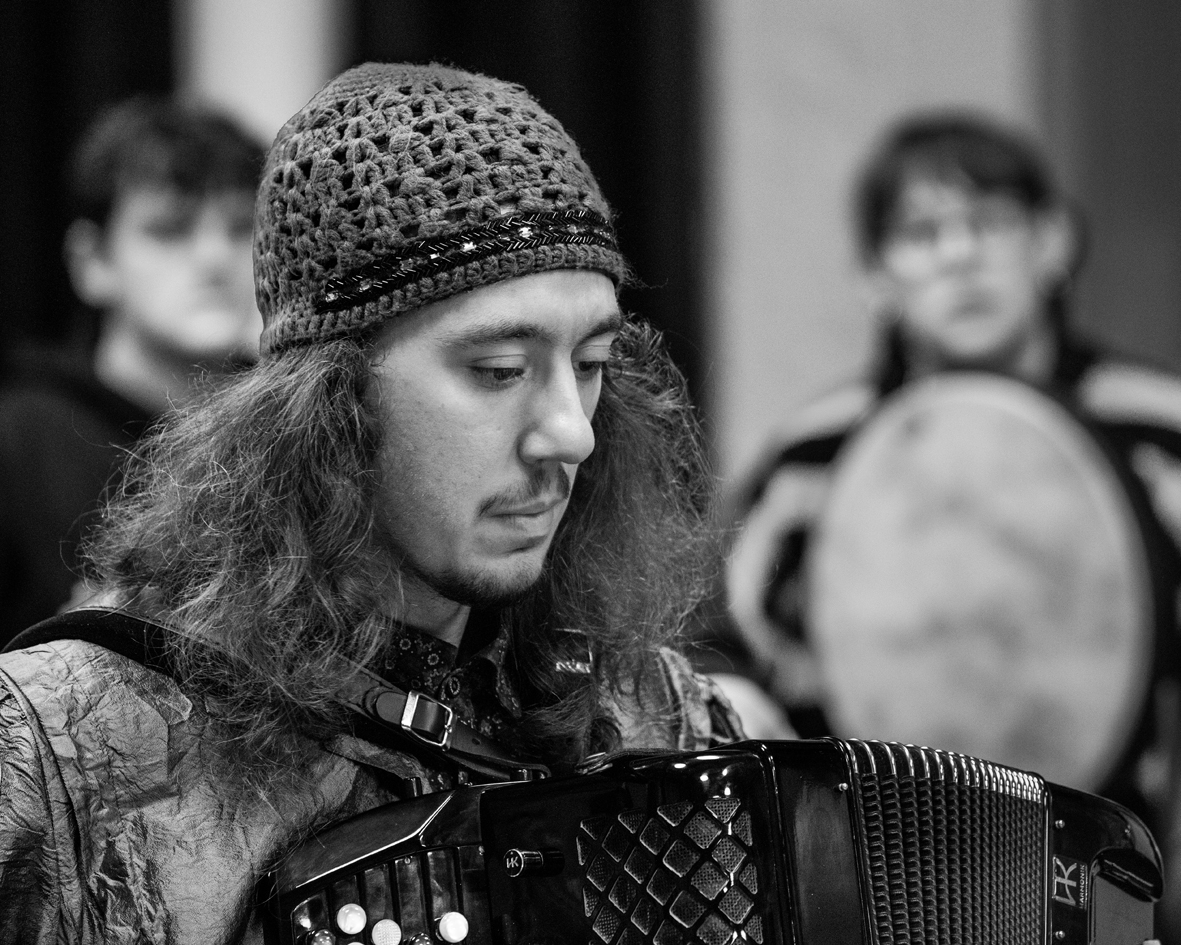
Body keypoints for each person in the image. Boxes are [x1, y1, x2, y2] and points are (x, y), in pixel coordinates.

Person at [0, 62, 740, 942]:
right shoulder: (63, 746)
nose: (570, 432)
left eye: (589, 365)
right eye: (499, 370)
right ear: (326, 400)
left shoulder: (661, 715)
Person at [721, 110, 1181, 936]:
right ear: (873, 277)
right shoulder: (812, 457)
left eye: (991, 223)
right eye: (921, 233)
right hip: (876, 885)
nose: (959, 255)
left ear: (1052, 242)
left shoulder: (1156, 431)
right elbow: (728, 644)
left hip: (1110, 873)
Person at [0, 96, 265, 645]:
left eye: (242, 228)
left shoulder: (293, 428)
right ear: (92, 261)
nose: (215, 258)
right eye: (170, 229)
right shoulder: (17, 442)